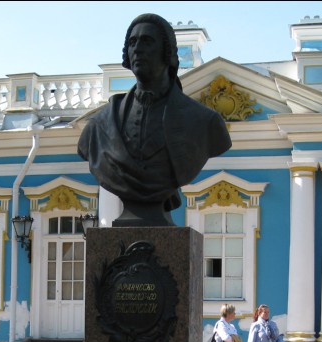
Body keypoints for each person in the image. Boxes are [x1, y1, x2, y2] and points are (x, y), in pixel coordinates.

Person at [77, 13, 232, 227]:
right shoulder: (99, 126)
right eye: (132, 43)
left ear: (167, 53)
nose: (137, 49)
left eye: (147, 41)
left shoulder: (203, 122)